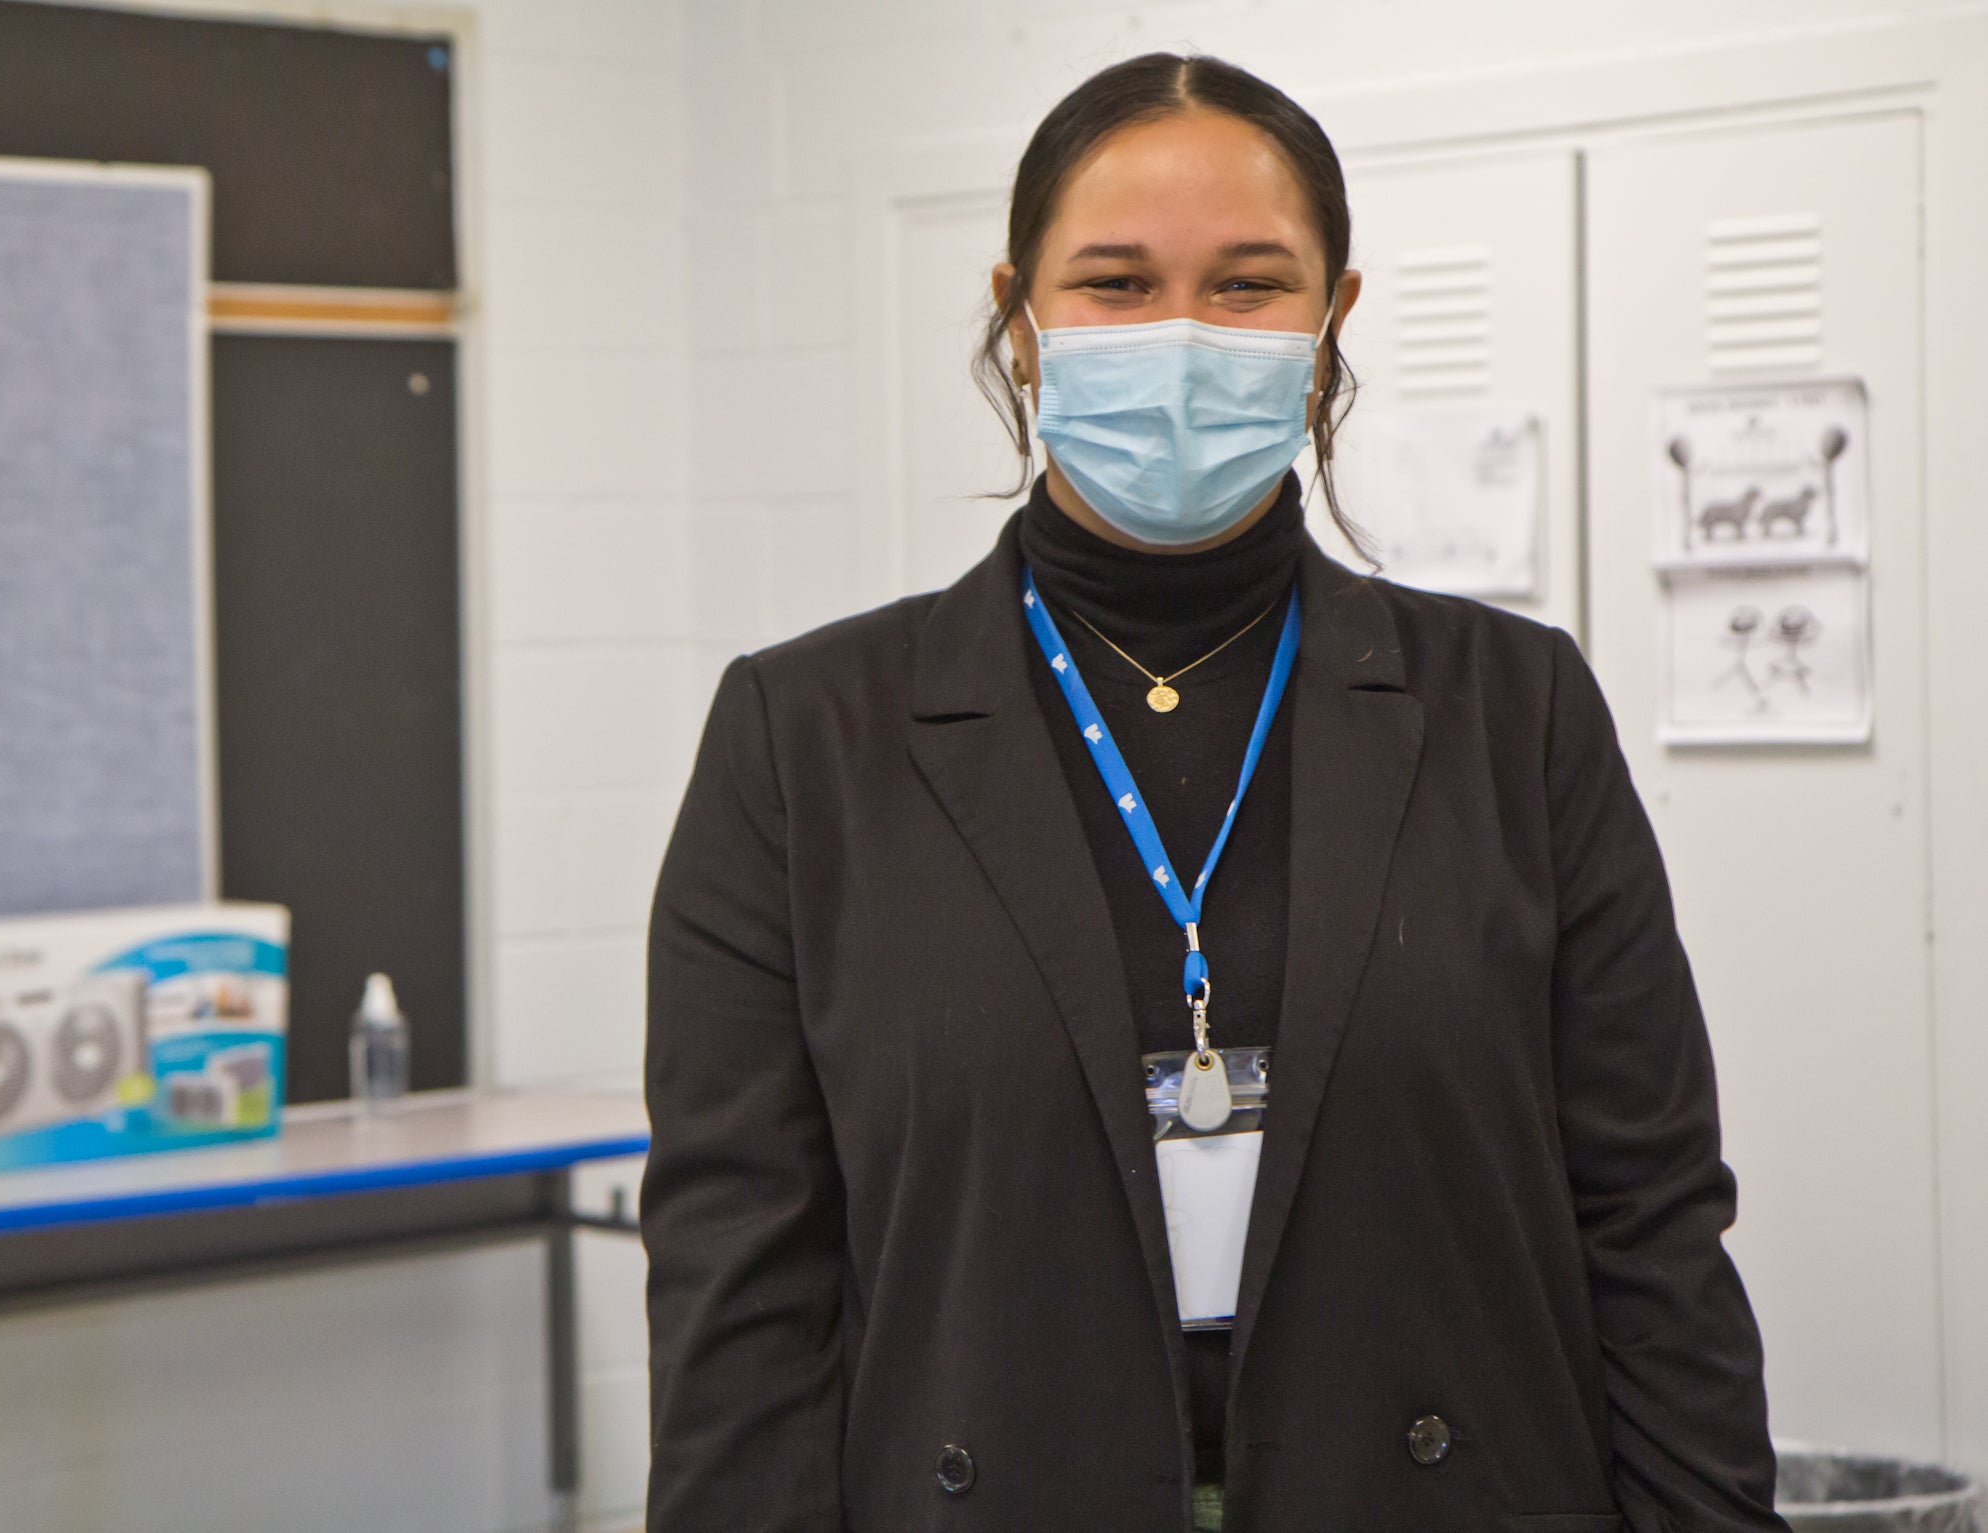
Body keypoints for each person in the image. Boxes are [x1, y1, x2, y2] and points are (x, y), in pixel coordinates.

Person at [641, 51, 1786, 1533]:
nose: (1181, 335)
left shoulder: (1516, 710)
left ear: (1333, 318)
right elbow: (741, 1276)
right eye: (1115, 283)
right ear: (1020, 315)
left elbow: (1652, 1224)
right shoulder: (803, 741)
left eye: (1248, 284)